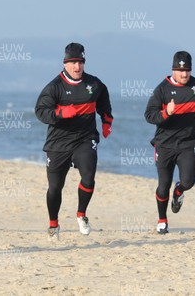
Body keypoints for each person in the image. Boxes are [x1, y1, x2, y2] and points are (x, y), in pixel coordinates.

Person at [35, 42, 113, 240]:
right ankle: (53, 224)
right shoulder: (54, 87)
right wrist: (60, 112)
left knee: (88, 177)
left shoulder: (94, 84)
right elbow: (40, 111)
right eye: (72, 63)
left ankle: (81, 214)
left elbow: (103, 99)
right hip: (58, 143)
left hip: (84, 139)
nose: (77, 67)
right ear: (65, 63)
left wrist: (106, 121)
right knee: (55, 187)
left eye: (80, 62)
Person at [144, 51, 195, 234]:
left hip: (189, 142)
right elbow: (149, 116)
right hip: (165, 144)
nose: (184, 75)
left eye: (187, 71)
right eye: (180, 71)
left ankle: (179, 192)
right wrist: (166, 112)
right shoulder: (162, 89)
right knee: (163, 185)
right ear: (173, 70)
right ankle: (162, 220)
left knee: (188, 181)